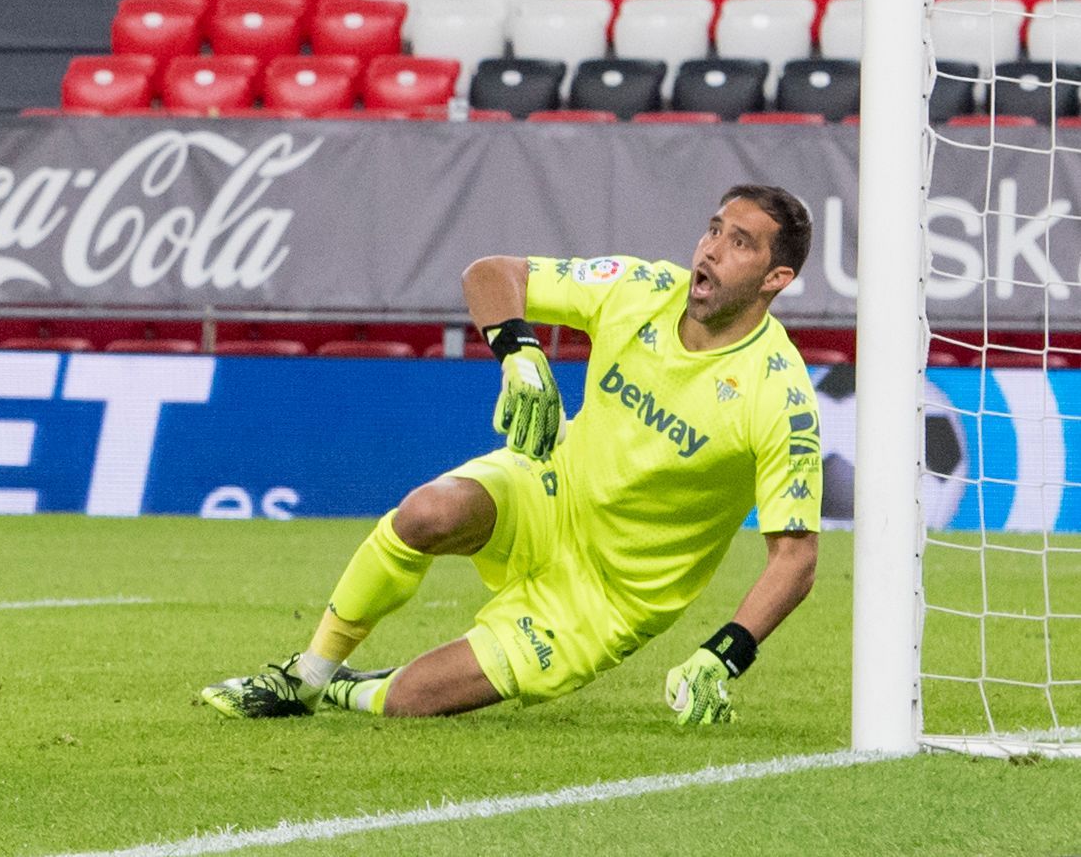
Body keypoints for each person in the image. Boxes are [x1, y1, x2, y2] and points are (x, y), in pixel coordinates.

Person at [200, 185, 824, 725]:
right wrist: (519, 352)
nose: (711, 250)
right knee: (428, 513)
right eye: (713, 229)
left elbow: (795, 558)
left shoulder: (780, 395)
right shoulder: (641, 289)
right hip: (551, 489)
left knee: (408, 703)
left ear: (777, 279)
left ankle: (351, 687)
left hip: (608, 598)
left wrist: (724, 654)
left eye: (740, 243)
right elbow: (491, 273)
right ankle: (306, 677)